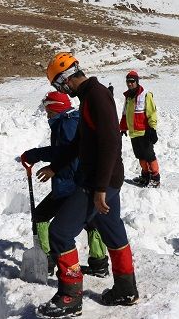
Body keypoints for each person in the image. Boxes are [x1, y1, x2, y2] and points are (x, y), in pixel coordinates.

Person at [35, 52, 139, 317]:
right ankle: (126, 288)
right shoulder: (88, 97)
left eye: (59, 86)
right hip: (106, 181)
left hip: (97, 183)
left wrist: (100, 188)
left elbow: (111, 143)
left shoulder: (96, 96)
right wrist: (55, 166)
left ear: (66, 78)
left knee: (60, 232)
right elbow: (81, 143)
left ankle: (70, 296)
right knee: (112, 230)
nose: (61, 91)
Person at [20, 91, 110, 277]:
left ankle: (46, 259)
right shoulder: (70, 120)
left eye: (48, 110)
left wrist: (47, 163)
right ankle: (99, 262)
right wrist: (37, 155)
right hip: (79, 181)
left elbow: (68, 153)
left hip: (70, 182)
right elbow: (63, 151)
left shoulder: (67, 124)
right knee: (91, 221)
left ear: (56, 107)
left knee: (41, 216)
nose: (47, 114)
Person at [119, 70, 160, 188]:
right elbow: (125, 113)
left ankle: (155, 178)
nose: (130, 83)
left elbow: (152, 112)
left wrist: (152, 129)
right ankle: (145, 176)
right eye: (128, 81)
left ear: (137, 82)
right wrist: (123, 127)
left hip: (144, 132)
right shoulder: (128, 97)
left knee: (149, 156)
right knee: (140, 156)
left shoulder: (145, 95)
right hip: (133, 133)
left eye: (132, 81)